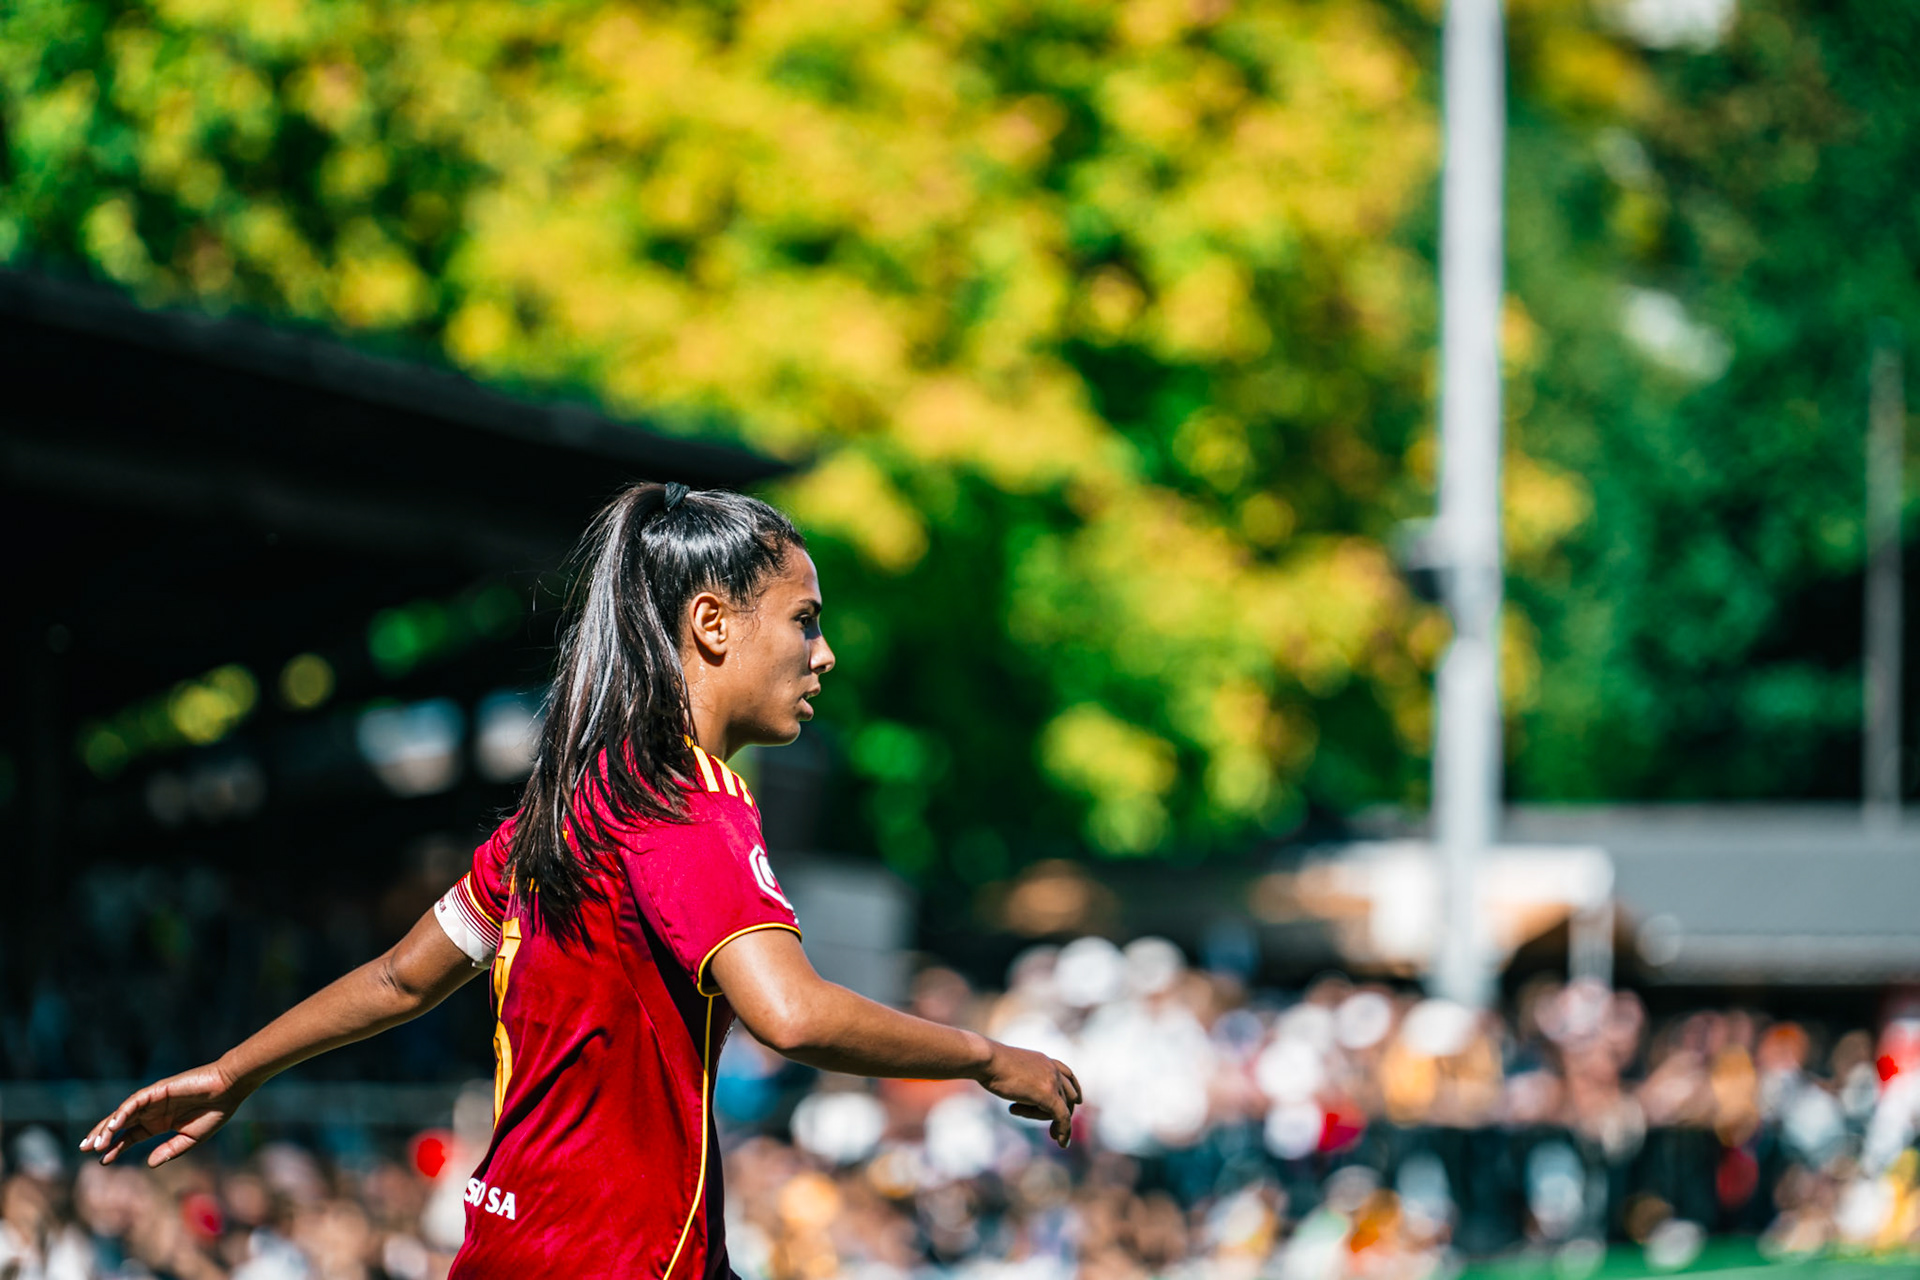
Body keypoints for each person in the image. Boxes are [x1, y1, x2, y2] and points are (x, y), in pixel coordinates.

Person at [81, 482, 1081, 1278]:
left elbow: (401, 977)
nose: (825, 652)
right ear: (713, 622)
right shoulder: (687, 803)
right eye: (806, 619)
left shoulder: (570, 805)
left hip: (508, 1248)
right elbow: (792, 1013)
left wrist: (233, 1069)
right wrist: (988, 1056)